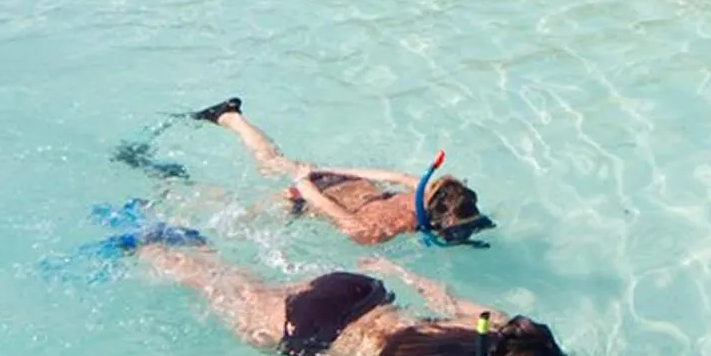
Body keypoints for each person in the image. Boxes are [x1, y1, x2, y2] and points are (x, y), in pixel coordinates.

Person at [137, 242, 578, 356]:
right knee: (203, 282)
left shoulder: (493, 325)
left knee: (231, 274)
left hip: (358, 292)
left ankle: (167, 237)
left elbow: (439, 294)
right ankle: (140, 245)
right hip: (311, 332)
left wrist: (393, 267)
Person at [189, 98, 490, 245]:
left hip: (343, 181)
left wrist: (327, 170)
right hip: (306, 198)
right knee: (238, 218)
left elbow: (389, 176)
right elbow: (337, 216)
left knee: (272, 162)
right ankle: (225, 123)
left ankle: (231, 117)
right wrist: (303, 183)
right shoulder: (381, 230)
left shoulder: (426, 190)